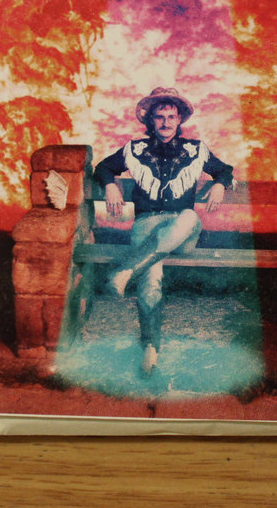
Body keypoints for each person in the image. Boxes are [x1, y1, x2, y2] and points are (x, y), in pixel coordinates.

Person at [92, 87, 234, 374]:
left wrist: (220, 183)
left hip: (183, 232)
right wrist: (110, 185)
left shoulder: (195, 150)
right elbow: (103, 168)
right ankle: (150, 349)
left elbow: (225, 170)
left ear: (179, 119)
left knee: (189, 215)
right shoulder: (135, 149)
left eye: (171, 117)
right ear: (151, 120)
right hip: (147, 225)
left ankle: (125, 271)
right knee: (151, 280)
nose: (166, 122)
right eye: (160, 117)